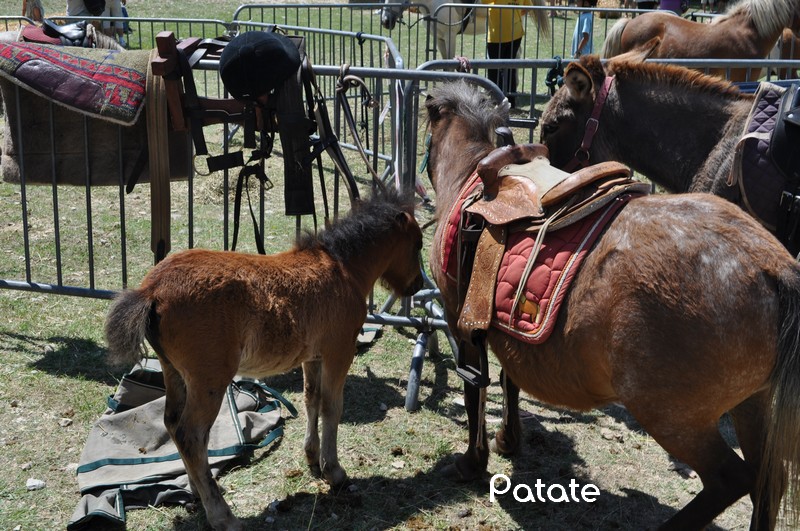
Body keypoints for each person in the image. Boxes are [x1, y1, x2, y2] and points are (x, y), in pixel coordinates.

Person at [482, 0, 532, 108]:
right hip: (516, 32)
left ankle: (496, 100)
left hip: (497, 34)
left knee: (494, 69)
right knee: (510, 68)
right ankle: (511, 101)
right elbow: (527, 7)